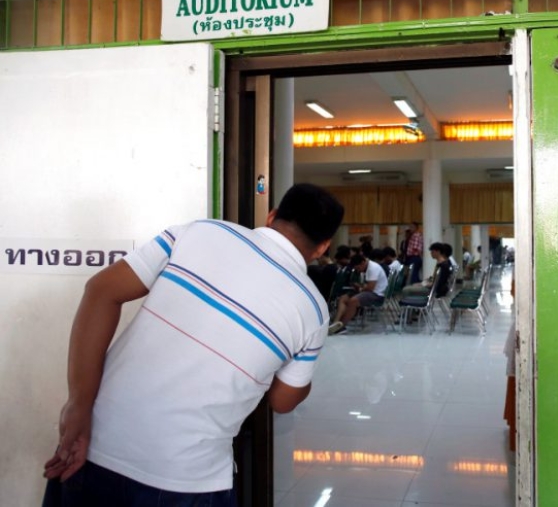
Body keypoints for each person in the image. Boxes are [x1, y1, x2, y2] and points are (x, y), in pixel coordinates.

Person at [41, 183, 344, 506]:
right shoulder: (312, 309)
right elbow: (283, 401)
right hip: (189, 481)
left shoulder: (199, 232)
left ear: (271, 217)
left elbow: (101, 291)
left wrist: (79, 403)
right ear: (323, 246)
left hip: (94, 450)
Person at [329, 253, 388, 335]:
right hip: (369, 292)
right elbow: (367, 285)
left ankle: (342, 326)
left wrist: (360, 288)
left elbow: (370, 287)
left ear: (363, 262)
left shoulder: (373, 268)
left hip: (377, 295)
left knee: (353, 301)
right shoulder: (367, 267)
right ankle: (336, 322)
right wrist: (360, 286)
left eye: (358, 268)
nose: (358, 270)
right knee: (343, 298)